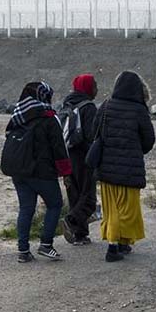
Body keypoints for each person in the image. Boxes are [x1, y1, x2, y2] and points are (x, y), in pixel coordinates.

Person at [92, 71, 156, 262]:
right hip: (130, 170)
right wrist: (135, 150)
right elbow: (149, 140)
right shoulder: (139, 110)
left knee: (111, 209)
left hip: (106, 169)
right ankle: (114, 247)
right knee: (128, 210)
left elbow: (94, 130)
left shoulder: (106, 105)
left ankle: (118, 242)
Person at [6, 81, 72, 263]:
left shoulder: (17, 116)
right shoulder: (49, 117)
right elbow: (59, 148)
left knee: (26, 208)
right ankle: (46, 244)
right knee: (55, 204)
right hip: (42, 172)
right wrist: (66, 173)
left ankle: (23, 251)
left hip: (19, 171)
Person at [60, 74, 99, 245]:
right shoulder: (88, 107)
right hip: (83, 157)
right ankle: (71, 221)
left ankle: (79, 235)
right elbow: (91, 136)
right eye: (94, 85)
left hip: (67, 156)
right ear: (88, 88)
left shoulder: (67, 105)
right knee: (88, 198)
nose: (97, 89)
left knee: (75, 195)